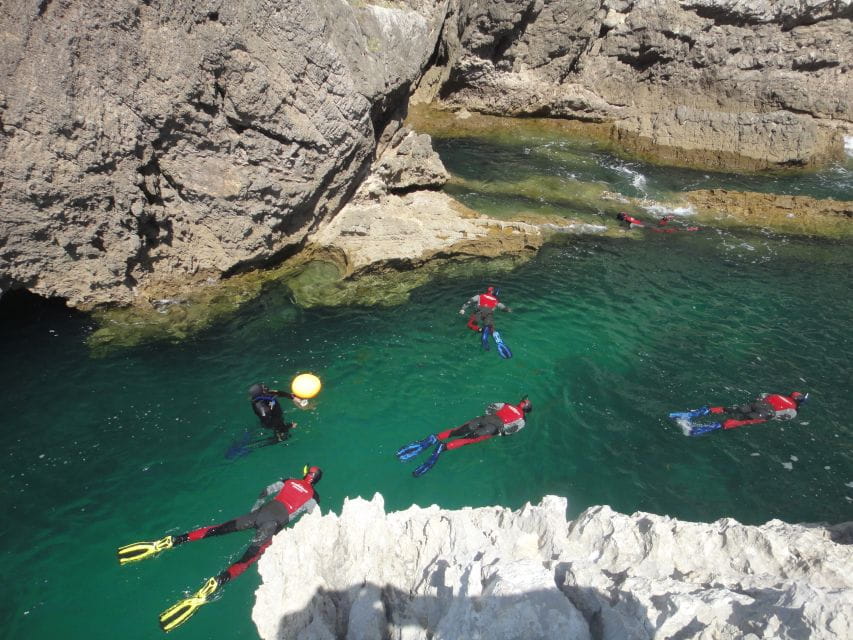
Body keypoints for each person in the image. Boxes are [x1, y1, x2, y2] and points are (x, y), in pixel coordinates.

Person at [117, 466, 323, 632]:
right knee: (246, 560)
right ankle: (214, 585)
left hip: (257, 515)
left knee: (216, 529)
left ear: (305, 473)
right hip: (272, 527)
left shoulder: (288, 480)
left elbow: (265, 491)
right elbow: (313, 518)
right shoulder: (313, 497)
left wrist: (254, 510)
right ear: (316, 481)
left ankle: (173, 540)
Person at [396, 397, 532, 476]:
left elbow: (491, 407)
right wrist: (500, 432)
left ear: (520, 402)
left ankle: (432, 439)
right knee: (466, 440)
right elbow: (511, 430)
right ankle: (441, 448)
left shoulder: (505, 404)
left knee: (457, 430)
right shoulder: (522, 420)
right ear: (526, 410)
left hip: (484, 418)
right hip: (491, 429)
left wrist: (485, 416)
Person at [671, 392, 808, 436]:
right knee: (738, 421)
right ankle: (694, 431)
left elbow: (762, 395)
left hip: (758, 404)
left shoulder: (778, 395)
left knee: (729, 409)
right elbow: (782, 417)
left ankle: (690, 415)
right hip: (765, 413)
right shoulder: (793, 409)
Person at [616, 212, 699, 233]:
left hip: (646, 226)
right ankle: (665, 219)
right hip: (645, 223)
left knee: (664, 231)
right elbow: (634, 222)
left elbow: (633, 224)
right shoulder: (629, 217)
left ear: (622, 218)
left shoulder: (628, 220)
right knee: (658, 226)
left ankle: (689, 229)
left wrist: (626, 229)